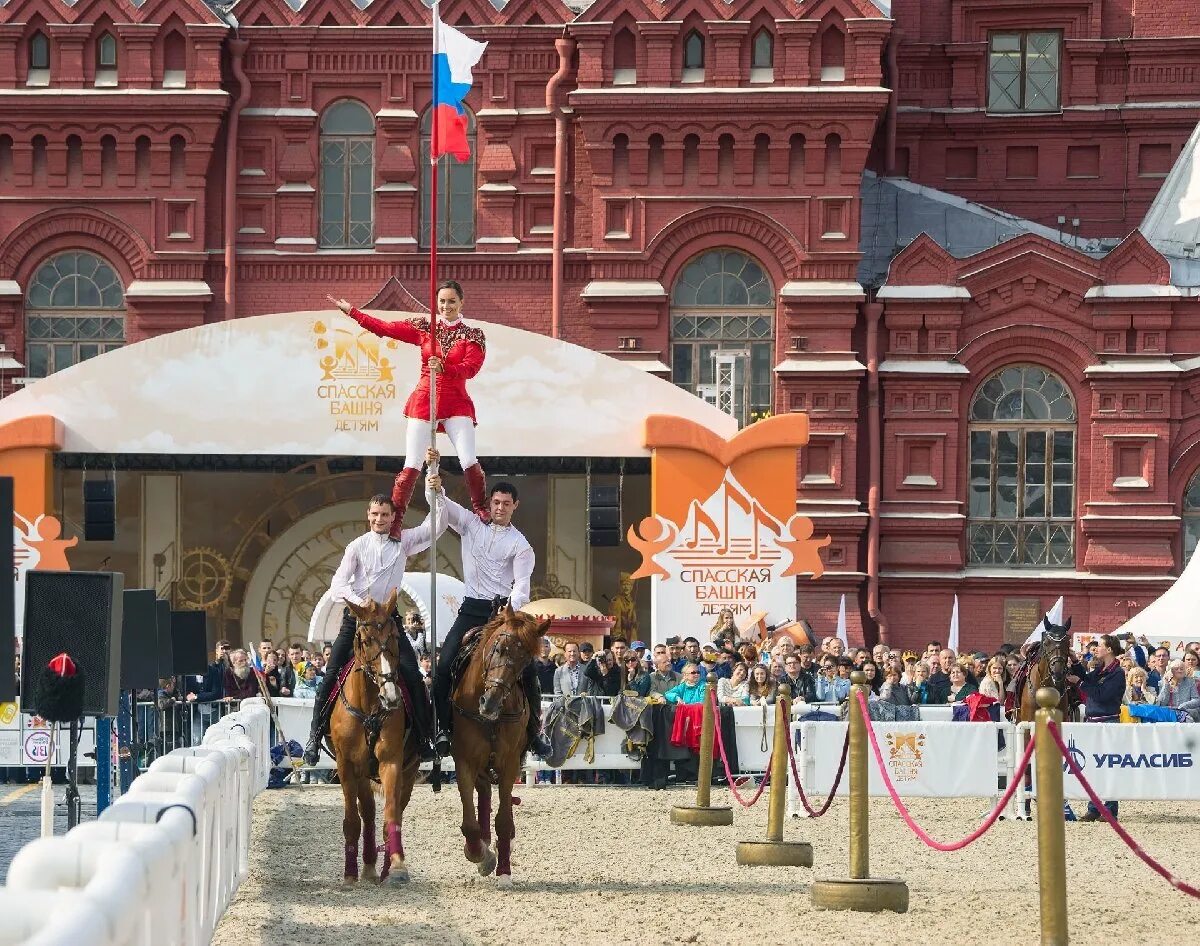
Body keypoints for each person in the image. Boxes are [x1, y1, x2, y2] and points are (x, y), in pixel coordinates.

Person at [328, 282, 490, 534]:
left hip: (456, 400)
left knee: (468, 458)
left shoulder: (472, 334)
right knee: (412, 462)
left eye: (451, 301)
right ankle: (396, 521)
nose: (446, 306)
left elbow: (472, 368)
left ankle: (481, 507)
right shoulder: (425, 327)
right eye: (442, 302)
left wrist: (446, 367)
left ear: (461, 303)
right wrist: (352, 312)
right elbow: (385, 328)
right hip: (425, 399)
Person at [301, 488, 445, 766]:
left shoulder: (403, 542)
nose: (380, 519)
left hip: (389, 620)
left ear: (393, 517)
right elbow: (337, 586)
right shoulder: (356, 546)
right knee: (331, 674)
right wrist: (361, 604)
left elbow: (434, 528)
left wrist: (434, 489)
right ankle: (314, 736)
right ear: (368, 515)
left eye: (385, 514)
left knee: (413, 675)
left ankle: (425, 738)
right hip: (356, 619)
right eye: (375, 514)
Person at [425, 457, 550, 760]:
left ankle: (534, 734)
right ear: (489, 503)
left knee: (530, 669)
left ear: (515, 506)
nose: (500, 507)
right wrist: (433, 475)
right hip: (470, 608)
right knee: (442, 668)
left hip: (502, 612)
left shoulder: (521, 545)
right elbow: (442, 505)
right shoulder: (470, 524)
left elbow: (522, 585)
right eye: (496, 502)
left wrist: (511, 609)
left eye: (506, 503)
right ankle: (439, 729)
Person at [1067, 634, 1126, 821]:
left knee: (1107, 765)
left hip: (1108, 722)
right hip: (1093, 722)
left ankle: (1109, 809)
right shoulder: (1101, 670)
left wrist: (1079, 683)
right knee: (1093, 766)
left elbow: (1101, 694)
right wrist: (1076, 661)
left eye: (1099, 646)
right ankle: (1094, 808)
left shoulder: (1117, 673)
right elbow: (1086, 677)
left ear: (1109, 649)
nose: (1096, 649)